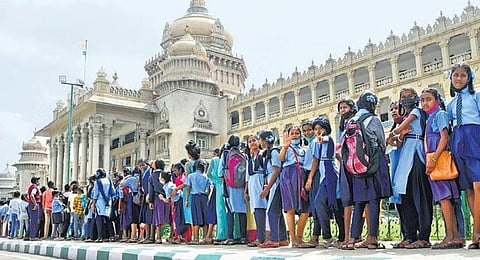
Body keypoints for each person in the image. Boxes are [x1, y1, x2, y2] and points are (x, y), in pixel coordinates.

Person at [342, 91, 392, 250]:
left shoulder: (351, 120)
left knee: (359, 202)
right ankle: (372, 238)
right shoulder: (374, 119)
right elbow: (381, 143)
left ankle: (353, 239)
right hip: (373, 163)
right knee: (374, 200)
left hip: (356, 165)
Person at [421, 87, 463, 249]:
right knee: (444, 199)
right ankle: (454, 236)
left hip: (439, 161)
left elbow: (444, 137)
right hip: (435, 161)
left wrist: (433, 159)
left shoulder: (440, 115)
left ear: (437, 101)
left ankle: (451, 236)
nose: (425, 102)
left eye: (429, 99)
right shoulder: (430, 118)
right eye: (423, 100)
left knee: (445, 199)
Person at [390, 87, 433, 249]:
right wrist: (399, 136)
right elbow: (399, 140)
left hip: (417, 153)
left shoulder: (417, 111)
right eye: (403, 96)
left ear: (416, 98)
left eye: (410, 96)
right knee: (405, 196)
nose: (406, 98)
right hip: (404, 156)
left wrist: (396, 132)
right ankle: (409, 235)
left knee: (420, 195)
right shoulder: (406, 116)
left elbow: (399, 129)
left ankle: (423, 236)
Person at [446, 63, 480, 249]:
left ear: (469, 78)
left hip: (474, 136)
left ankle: (476, 234)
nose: (459, 79)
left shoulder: (476, 97)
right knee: (468, 189)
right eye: (455, 75)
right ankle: (478, 232)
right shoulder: (451, 104)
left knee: (479, 184)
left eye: (462, 76)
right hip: (458, 140)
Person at [306, 118, 344, 248]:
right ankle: (330, 236)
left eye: (320, 129)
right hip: (323, 174)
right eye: (316, 129)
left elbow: (326, 140)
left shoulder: (328, 138)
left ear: (326, 129)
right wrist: (310, 178)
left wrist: (322, 138)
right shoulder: (317, 143)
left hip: (330, 172)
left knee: (332, 203)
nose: (318, 131)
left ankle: (337, 236)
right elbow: (315, 161)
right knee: (324, 203)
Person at [258, 130, 288, 248]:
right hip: (274, 184)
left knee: (271, 211)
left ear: (264, 141)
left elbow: (276, 171)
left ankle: (274, 239)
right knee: (277, 212)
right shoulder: (270, 153)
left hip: (276, 185)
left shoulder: (274, 152)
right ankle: (283, 238)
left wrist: (267, 188)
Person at [220, 135, 248, 245]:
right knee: (242, 212)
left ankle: (230, 237)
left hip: (229, 186)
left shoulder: (226, 154)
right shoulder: (244, 155)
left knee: (230, 212)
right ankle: (243, 237)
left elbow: (220, 172)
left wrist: (227, 180)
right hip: (241, 186)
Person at [244, 134, 268, 247]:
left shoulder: (262, 155)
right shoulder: (249, 159)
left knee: (261, 210)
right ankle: (260, 236)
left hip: (260, 184)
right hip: (252, 186)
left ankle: (262, 237)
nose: (252, 143)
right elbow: (247, 178)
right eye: (250, 141)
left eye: (254, 140)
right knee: (256, 211)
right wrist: (246, 191)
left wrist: (266, 186)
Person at [185, 160, 212, 244]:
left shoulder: (191, 176)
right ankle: (205, 238)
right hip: (204, 197)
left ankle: (196, 238)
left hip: (195, 197)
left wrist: (187, 199)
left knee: (196, 217)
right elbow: (209, 189)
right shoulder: (206, 177)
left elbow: (188, 188)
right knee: (205, 217)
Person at [91, 168, 116, 243]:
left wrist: (93, 204)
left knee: (99, 219)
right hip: (108, 201)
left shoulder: (97, 182)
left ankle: (100, 236)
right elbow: (113, 192)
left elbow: (95, 194)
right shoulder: (109, 180)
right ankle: (112, 236)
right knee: (108, 219)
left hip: (100, 201)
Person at [148, 159, 170, 244]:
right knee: (169, 218)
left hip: (157, 198)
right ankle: (170, 236)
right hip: (167, 197)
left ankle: (159, 237)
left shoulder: (152, 176)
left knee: (158, 218)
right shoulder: (167, 174)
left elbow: (151, 190)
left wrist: (150, 201)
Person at [208, 148, 227, 243]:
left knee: (220, 212)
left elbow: (208, 174)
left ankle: (221, 234)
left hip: (218, 186)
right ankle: (231, 233)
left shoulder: (214, 160)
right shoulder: (227, 158)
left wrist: (215, 180)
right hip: (227, 185)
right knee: (229, 211)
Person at [170, 163, 191, 243]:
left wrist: (177, 190)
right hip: (177, 201)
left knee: (181, 219)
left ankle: (183, 237)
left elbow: (184, 187)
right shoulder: (177, 178)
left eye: (175, 170)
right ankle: (179, 236)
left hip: (181, 200)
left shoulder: (183, 178)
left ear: (180, 170)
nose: (174, 172)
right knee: (177, 219)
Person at [25, 177, 41, 241]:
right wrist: (35, 204)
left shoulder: (30, 187)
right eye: (38, 180)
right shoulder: (34, 187)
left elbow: (25, 195)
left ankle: (27, 236)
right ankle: (33, 236)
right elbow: (32, 195)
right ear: (36, 181)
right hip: (34, 205)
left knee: (32, 221)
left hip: (30, 204)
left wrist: (29, 201)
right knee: (34, 221)